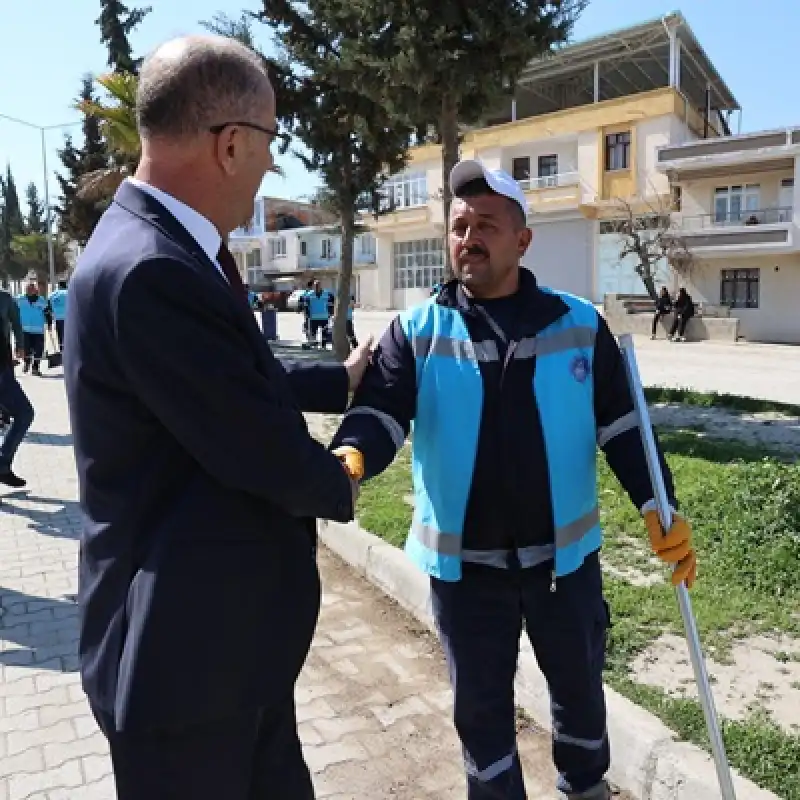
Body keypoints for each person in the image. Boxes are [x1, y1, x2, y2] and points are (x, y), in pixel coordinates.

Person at [64, 35, 373, 800]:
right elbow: (253, 446)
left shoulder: (156, 243)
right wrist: (342, 475)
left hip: (218, 655)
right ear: (231, 144)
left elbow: (225, 378)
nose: (273, 162)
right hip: (182, 670)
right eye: (271, 141)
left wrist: (340, 378)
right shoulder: (154, 269)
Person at [330, 160, 697, 800]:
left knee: (580, 699)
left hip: (566, 567)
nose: (468, 238)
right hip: (466, 575)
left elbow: (625, 427)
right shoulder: (418, 331)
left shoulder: (580, 325)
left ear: (522, 240)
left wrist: (655, 502)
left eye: (486, 226)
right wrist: (353, 456)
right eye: (459, 226)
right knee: (480, 714)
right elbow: (380, 410)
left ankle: (586, 789)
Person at [0, 286, 34, 488]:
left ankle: (3, 465)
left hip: (4, 365)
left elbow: (16, 324)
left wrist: (19, 346)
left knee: (23, 415)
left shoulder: (5, 298)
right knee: (24, 414)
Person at [16, 282, 52, 376]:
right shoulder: (20, 299)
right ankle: (27, 363)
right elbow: (14, 311)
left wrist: (49, 323)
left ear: (35, 290)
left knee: (38, 349)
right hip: (25, 330)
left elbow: (47, 312)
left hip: (38, 330)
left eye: (32, 288)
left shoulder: (41, 300)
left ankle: (35, 367)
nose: (30, 290)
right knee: (26, 349)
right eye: (28, 289)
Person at [306, 279, 334, 348]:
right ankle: (315, 347)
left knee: (324, 333)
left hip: (324, 317)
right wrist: (307, 315)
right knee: (313, 334)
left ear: (321, 286)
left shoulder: (327, 294)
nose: (317, 287)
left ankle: (323, 347)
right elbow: (306, 306)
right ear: (313, 286)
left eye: (318, 285)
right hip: (313, 318)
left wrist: (331, 314)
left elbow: (332, 304)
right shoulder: (309, 295)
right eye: (315, 286)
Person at [49, 280, 69, 350]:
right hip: (68, 318)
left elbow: (49, 307)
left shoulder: (52, 295)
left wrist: (50, 321)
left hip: (57, 318)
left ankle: (62, 350)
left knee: (60, 336)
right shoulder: (69, 293)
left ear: (59, 286)